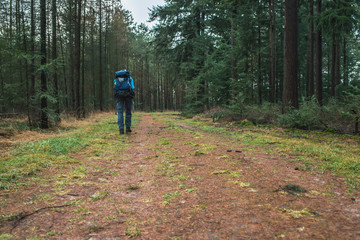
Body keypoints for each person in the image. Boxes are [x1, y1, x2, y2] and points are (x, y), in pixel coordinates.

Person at [114, 69, 135, 134]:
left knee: (120, 112)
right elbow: (133, 87)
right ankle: (128, 128)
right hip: (128, 96)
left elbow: (115, 88)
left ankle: (121, 129)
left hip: (119, 96)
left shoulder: (116, 78)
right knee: (128, 111)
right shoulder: (129, 78)